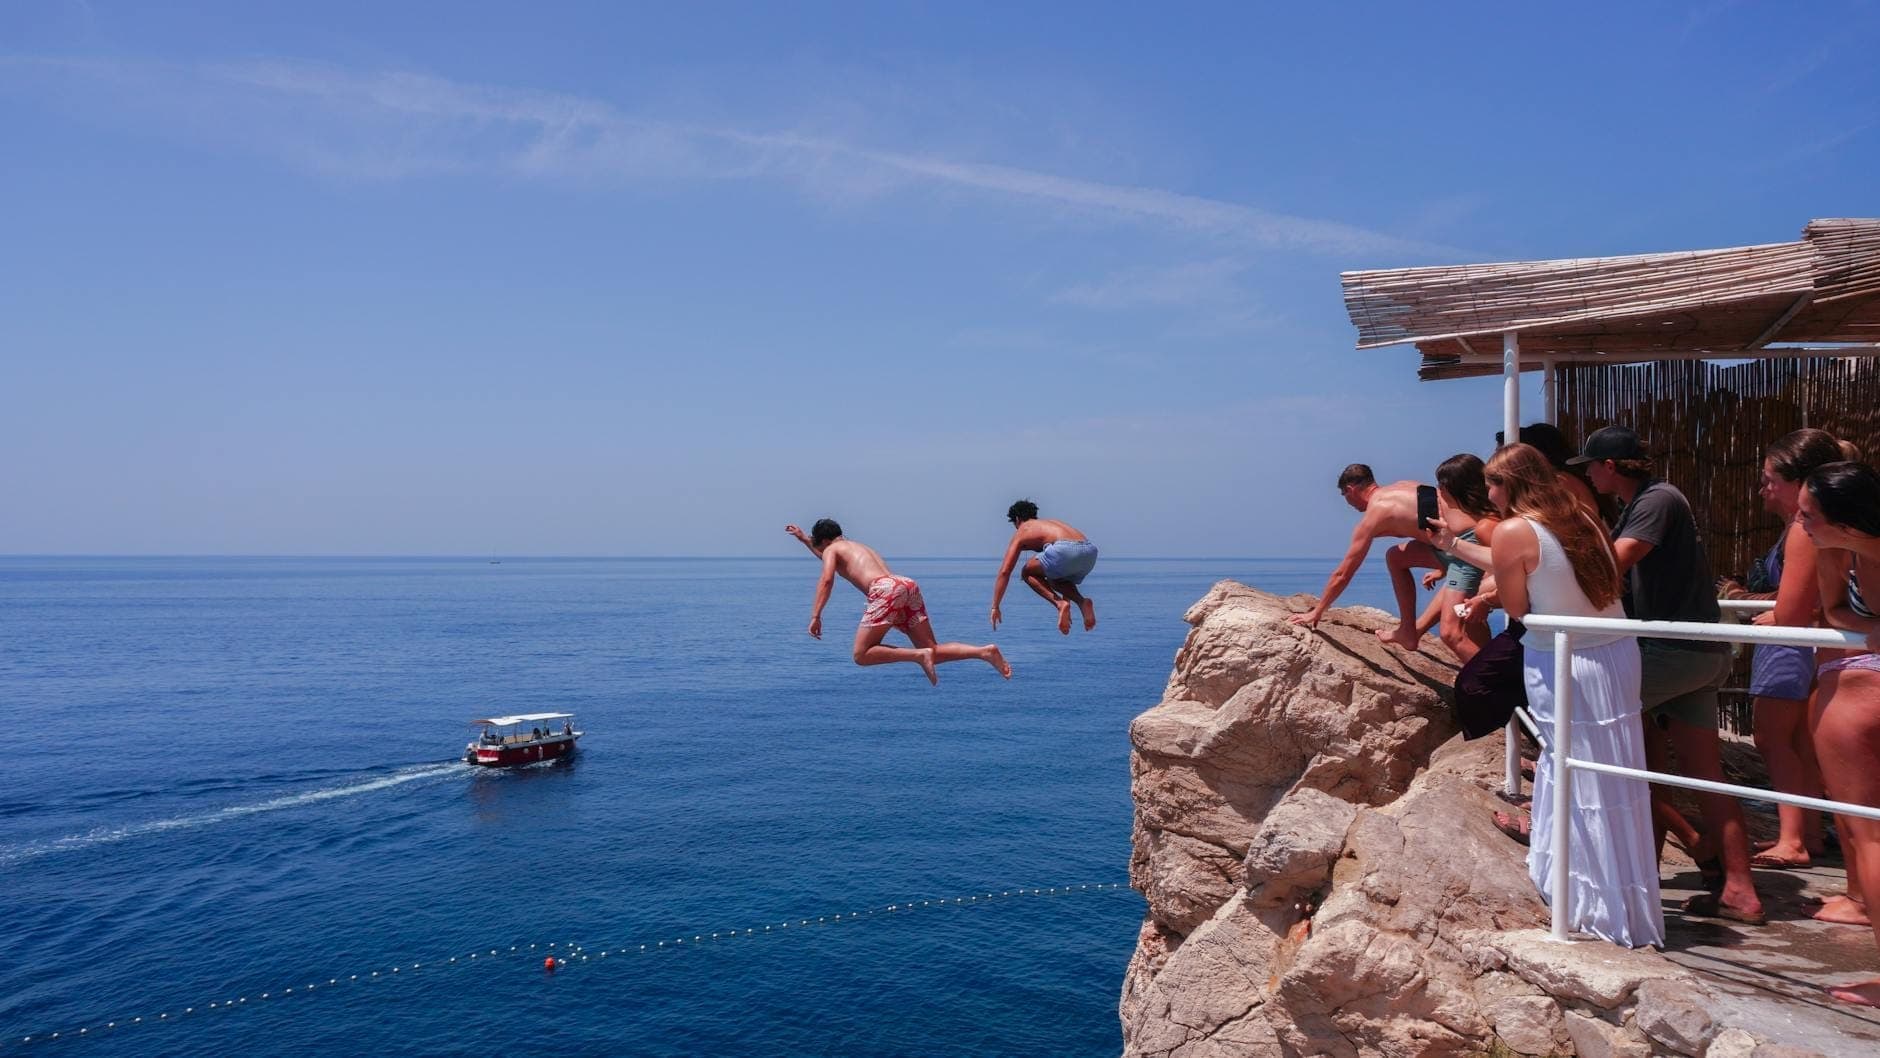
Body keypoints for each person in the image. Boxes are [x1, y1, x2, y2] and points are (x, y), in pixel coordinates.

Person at [1430, 443, 1661, 947]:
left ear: (1510, 485)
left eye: (1493, 484)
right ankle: (1614, 902)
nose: (1488, 495)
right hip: (1615, 653)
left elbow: (1517, 604)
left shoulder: (1515, 529)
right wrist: (1457, 545)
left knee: (1570, 767)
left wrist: (1475, 563)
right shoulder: (1580, 515)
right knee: (1609, 775)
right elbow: (1536, 562)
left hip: (1564, 657)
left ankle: (1578, 904)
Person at [1573, 424, 1764, 924]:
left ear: (1609, 467)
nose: (1588, 475)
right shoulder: (1650, 500)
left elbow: (1614, 565)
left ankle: (1666, 862)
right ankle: (1737, 891)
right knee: (1704, 774)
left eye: (1590, 466)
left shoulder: (1656, 501)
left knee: (1590, 740)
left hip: (1672, 651)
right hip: (1693, 651)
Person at [1718, 429, 1841, 869]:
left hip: (1789, 646)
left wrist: (1748, 605)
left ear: (1797, 480)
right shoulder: (1815, 528)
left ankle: (1793, 838)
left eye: (1770, 478)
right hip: (1802, 644)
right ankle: (1807, 831)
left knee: (1772, 738)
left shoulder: (1801, 531)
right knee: (1802, 744)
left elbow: (1792, 609)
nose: (1763, 488)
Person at [1797, 461, 1880, 1006]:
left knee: (1869, 837)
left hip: (1857, 690)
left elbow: (1828, 613)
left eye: (1809, 515)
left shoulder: (1842, 553)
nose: (1800, 523)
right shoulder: (1842, 544)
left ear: (1845, 524)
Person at [786, 520, 1010, 684]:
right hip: (904, 584)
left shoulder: (832, 550)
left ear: (824, 541)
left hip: (885, 589)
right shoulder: (856, 547)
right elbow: (826, 555)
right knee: (933, 649)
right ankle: (984, 651)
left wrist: (816, 615)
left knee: (861, 655)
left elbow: (826, 580)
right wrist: (804, 539)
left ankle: (917, 656)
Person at [1292, 464, 1443, 642]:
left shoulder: (1373, 516)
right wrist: (1442, 569)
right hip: (1470, 537)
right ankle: (1408, 631)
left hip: (1464, 554)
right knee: (1395, 556)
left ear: (1350, 489)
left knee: (1453, 630)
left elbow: (1343, 574)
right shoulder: (1407, 485)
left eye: (1344, 495)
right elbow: (1433, 522)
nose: (1347, 503)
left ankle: (1408, 631)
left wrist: (1317, 611)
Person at [1392, 454, 1498, 661]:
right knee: (1464, 620)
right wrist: (1443, 569)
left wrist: (1486, 598)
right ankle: (1483, 673)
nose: (1438, 491)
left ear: (1455, 488)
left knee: (1452, 629)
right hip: (1485, 579)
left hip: (1500, 585)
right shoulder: (1481, 517)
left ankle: (1490, 683)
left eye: (1441, 485)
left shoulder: (1487, 525)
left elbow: (1503, 564)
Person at [990, 500, 1098, 634]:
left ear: (1017, 519)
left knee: (1027, 572)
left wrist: (995, 606)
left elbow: (1005, 571)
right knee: (1054, 576)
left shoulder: (1023, 530)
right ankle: (1082, 603)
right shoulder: (1052, 523)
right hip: (1089, 552)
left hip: (1064, 551)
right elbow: (1067, 556)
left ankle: (1059, 604)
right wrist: (1067, 602)